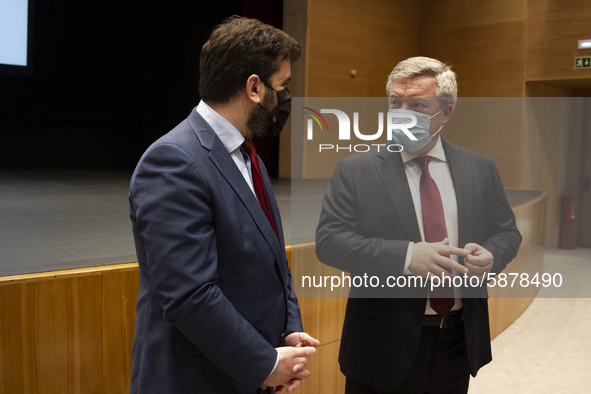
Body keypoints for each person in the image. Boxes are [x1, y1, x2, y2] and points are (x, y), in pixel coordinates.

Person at [129, 16, 319, 394]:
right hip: (194, 381)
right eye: (281, 86)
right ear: (253, 87)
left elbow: (273, 262)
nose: (284, 99)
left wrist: (289, 331)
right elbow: (189, 296)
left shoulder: (248, 155)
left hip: (245, 374)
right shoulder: (174, 160)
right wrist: (264, 364)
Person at [315, 57, 522, 393]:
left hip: (457, 340)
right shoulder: (355, 170)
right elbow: (330, 241)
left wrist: (492, 255)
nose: (402, 113)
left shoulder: (480, 168)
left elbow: (506, 231)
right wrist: (407, 255)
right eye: (395, 102)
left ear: (447, 112)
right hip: (381, 345)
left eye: (417, 104)